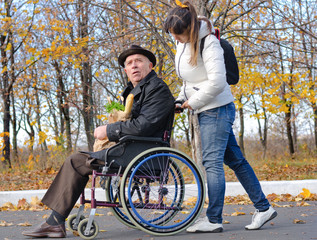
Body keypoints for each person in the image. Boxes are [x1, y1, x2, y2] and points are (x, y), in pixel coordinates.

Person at [22, 45, 175, 238]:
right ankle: (55, 220)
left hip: (144, 150)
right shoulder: (134, 92)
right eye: (129, 63)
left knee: (77, 161)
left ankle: (54, 222)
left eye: (139, 61)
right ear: (126, 71)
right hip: (133, 147)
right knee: (79, 159)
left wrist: (108, 131)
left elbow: (143, 125)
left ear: (150, 65)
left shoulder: (157, 89)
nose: (134, 65)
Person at [164, 1, 277, 233]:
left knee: (212, 163)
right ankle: (263, 208)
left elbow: (217, 82)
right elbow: (191, 80)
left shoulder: (210, 43)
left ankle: (213, 219)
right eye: (173, 36)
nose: (176, 40)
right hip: (207, 108)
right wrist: (180, 99)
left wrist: (192, 102)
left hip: (216, 109)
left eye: (179, 35)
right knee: (236, 161)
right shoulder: (183, 44)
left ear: (191, 30)